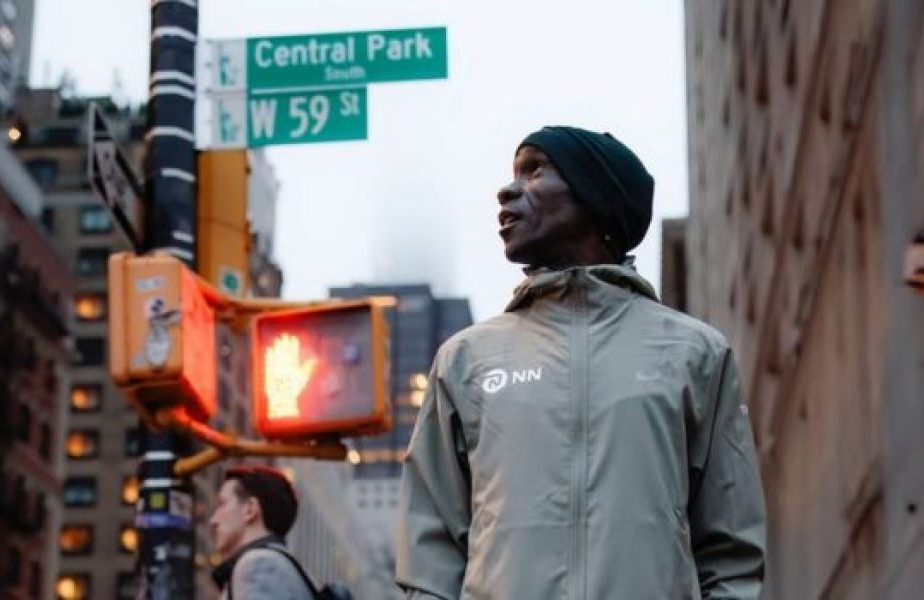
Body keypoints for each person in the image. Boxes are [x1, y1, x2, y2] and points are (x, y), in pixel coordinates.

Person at [396, 126, 768, 599]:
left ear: (596, 195)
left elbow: (730, 552)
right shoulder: (466, 360)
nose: (507, 190)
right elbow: (430, 552)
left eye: (535, 170)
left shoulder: (695, 353)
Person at [210, 466, 316, 600]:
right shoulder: (274, 565)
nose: (213, 520)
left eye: (222, 504)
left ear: (250, 509)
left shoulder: (259, 564)